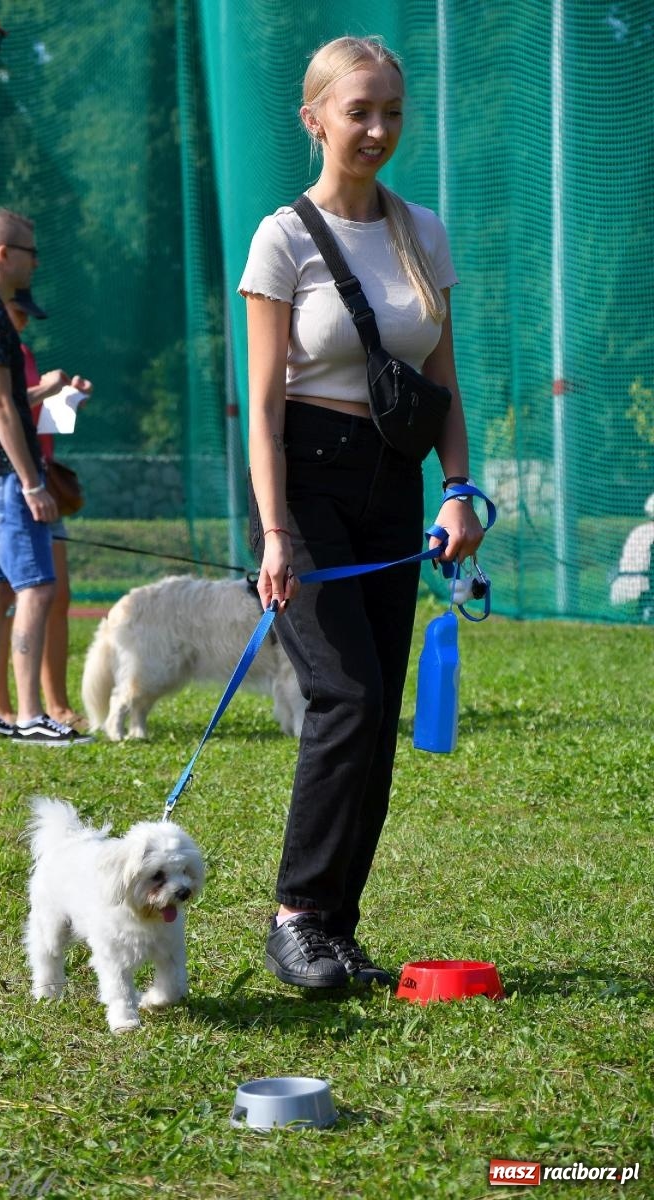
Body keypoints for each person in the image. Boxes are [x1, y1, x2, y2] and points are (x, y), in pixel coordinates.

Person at [239, 36, 485, 988]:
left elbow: (443, 380)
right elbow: (263, 406)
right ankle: (296, 916)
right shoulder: (282, 236)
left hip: (397, 482)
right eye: (358, 112)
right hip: (303, 479)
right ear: (316, 119)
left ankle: (338, 929)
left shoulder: (423, 229)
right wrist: (271, 533)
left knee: (376, 710)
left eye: (390, 110)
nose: (378, 128)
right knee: (345, 695)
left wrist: (459, 489)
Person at [0, 208, 92, 745]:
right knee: (36, 588)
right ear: (4, 253)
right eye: (30, 251)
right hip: (4, 476)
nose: (36, 262)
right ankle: (31, 714)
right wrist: (31, 482)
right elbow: (2, 406)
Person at [0, 288, 92, 728]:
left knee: (57, 595)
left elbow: (30, 413)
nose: (25, 322)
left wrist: (65, 398)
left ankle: (56, 702)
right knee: (2, 599)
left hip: (43, 480)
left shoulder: (23, 351)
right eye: (18, 313)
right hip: (12, 485)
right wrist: (44, 389)